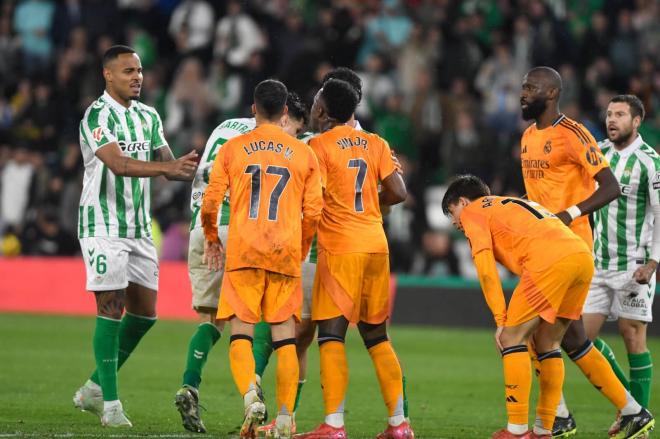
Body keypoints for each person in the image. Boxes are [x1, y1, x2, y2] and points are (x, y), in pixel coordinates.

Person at [253, 67, 414, 437]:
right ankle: (399, 424)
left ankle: (334, 425)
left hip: (341, 248)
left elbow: (306, 201)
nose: (311, 109)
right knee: (377, 337)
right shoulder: (375, 142)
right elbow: (400, 192)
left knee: (330, 336)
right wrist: (370, 202)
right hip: (376, 245)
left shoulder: (317, 147)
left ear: (324, 113)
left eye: (315, 105)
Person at [72, 45, 199, 427]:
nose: (137, 77)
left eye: (139, 70)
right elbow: (118, 164)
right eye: (128, 71)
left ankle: (94, 387)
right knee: (110, 308)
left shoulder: (149, 115)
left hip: (139, 227)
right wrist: (166, 170)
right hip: (102, 226)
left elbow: (169, 161)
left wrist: (192, 169)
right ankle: (110, 405)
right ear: (108, 75)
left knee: (145, 314)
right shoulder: (96, 115)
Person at [519, 66, 648, 437]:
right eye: (524, 87)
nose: (524, 93)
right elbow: (537, 195)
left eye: (531, 87)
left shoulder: (574, 134)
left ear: (553, 92)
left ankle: (556, 417)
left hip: (569, 247)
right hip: (544, 248)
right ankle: (631, 410)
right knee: (570, 338)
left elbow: (610, 186)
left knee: (523, 332)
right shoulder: (527, 137)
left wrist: (569, 214)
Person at [174, 91, 309, 434]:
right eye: (293, 125)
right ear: (283, 114)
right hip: (249, 232)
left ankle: (191, 384)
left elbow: (209, 188)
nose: (293, 132)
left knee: (210, 320)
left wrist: (208, 235)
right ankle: (273, 407)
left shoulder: (225, 129)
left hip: (202, 228)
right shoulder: (282, 146)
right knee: (274, 327)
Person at [201, 79, 323, 439]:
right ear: (286, 110)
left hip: (245, 249)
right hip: (285, 251)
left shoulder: (233, 148)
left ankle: (250, 394)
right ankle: (285, 417)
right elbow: (313, 212)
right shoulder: (304, 153)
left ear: (253, 109)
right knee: (285, 336)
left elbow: (211, 201)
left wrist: (211, 238)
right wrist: (300, 250)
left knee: (241, 331)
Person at [441, 175, 595, 439]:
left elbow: (487, 272)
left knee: (512, 338)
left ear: (464, 202)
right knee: (548, 343)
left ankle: (516, 431)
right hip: (581, 255)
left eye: (452, 212)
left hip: (550, 261)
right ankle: (544, 429)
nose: (455, 222)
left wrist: (501, 320)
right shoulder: (508, 202)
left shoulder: (473, 213)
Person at [582, 95, 658, 436]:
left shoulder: (649, 162)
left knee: (632, 336)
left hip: (635, 265)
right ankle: (634, 409)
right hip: (597, 263)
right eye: (609, 113)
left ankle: (635, 420)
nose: (612, 120)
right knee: (580, 338)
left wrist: (654, 262)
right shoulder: (599, 154)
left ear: (637, 121)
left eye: (620, 115)